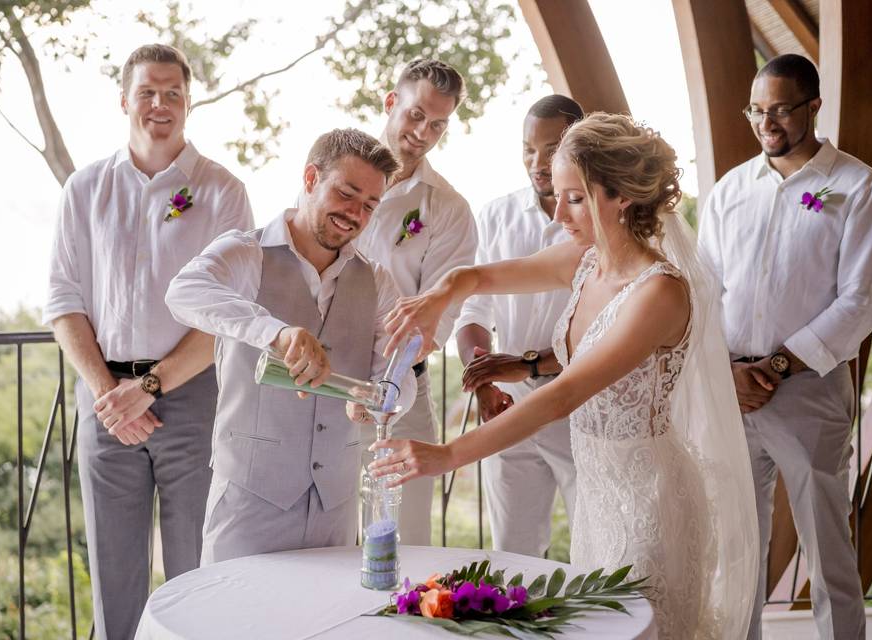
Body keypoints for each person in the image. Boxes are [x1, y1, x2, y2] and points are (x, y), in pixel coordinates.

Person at [374, 113, 759, 639]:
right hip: (598, 493)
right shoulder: (585, 260)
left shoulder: (659, 293)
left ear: (620, 196)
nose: (557, 215)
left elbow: (562, 396)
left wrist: (449, 456)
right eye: (557, 196)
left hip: (649, 497)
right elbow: (483, 274)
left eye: (574, 198)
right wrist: (440, 294)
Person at [44, 44, 254, 639]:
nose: (159, 104)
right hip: (104, 399)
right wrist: (111, 392)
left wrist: (153, 386)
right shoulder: (84, 190)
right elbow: (64, 303)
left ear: (189, 102)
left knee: (196, 568)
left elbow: (229, 313)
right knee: (114, 576)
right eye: (147, 92)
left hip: (193, 399)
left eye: (172, 93)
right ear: (124, 101)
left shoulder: (223, 191)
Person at [165, 128, 416, 563]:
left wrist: (382, 400)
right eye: (346, 193)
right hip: (248, 506)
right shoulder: (247, 253)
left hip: (335, 511)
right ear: (310, 177)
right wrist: (275, 332)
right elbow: (183, 292)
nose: (354, 214)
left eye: (369, 206)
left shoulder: (377, 280)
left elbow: (397, 372)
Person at [698, 53, 872, 640]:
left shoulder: (856, 184)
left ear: (814, 106)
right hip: (733, 396)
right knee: (738, 551)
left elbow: (860, 301)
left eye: (779, 110)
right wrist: (728, 373)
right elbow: (705, 293)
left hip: (808, 393)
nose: (765, 122)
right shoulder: (728, 191)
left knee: (828, 553)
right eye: (756, 109)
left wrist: (773, 366)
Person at [354, 58, 477, 545]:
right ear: (391, 103)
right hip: (324, 387)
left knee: (405, 539)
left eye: (438, 124)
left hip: (402, 392)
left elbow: (436, 320)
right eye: (415, 115)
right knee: (325, 540)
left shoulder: (448, 209)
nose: (423, 132)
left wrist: (383, 385)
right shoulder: (335, 177)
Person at [454, 94, 583, 557]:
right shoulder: (495, 216)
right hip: (509, 408)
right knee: (514, 555)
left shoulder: (601, 222)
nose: (537, 162)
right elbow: (473, 311)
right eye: (528, 149)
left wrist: (525, 364)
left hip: (583, 405)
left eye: (552, 149)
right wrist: (483, 377)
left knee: (598, 551)